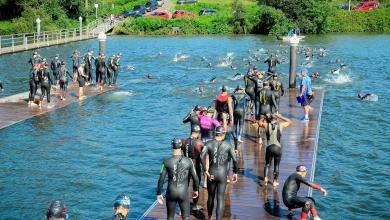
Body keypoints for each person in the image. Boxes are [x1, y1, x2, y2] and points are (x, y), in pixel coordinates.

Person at [201, 126, 238, 220]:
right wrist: (235, 173)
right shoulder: (228, 144)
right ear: (223, 134)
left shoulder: (208, 144)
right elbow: (235, 159)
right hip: (222, 175)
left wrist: (205, 170)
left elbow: (201, 156)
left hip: (211, 174)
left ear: (215, 133)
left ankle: (209, 217)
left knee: (210, 196)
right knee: (220, 198)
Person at [156, 138, 199, 220]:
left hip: (171, 192)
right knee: (186, 216)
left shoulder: (166, 162)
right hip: (183, 193)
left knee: (170, 217)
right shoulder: (189, 161)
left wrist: (159, 193)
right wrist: (196, 190)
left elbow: (161, 179)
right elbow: (195, 178)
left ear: (172, 146)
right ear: (181, 146)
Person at [258, 113, 292, 187]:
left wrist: (264, 117)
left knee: (267, 164)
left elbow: (259, 123)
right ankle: (275, 181)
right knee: (276, 165)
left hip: (269, 147)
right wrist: (281, 116)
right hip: (277, 148)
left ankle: (266, 178)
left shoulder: (266, 125)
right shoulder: (281, 125)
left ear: (270, 119)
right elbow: (290, 122)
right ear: (276, 119)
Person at [181, 125, 204, 210]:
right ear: (197, 133)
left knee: (184, 187)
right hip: (195, 167)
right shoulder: (200, 143)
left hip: (185, 167)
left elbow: (178, 153)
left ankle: (181, 208)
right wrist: (205, 169)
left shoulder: (183, 141)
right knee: (196, 186)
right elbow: (202, 157)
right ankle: (194, 205)